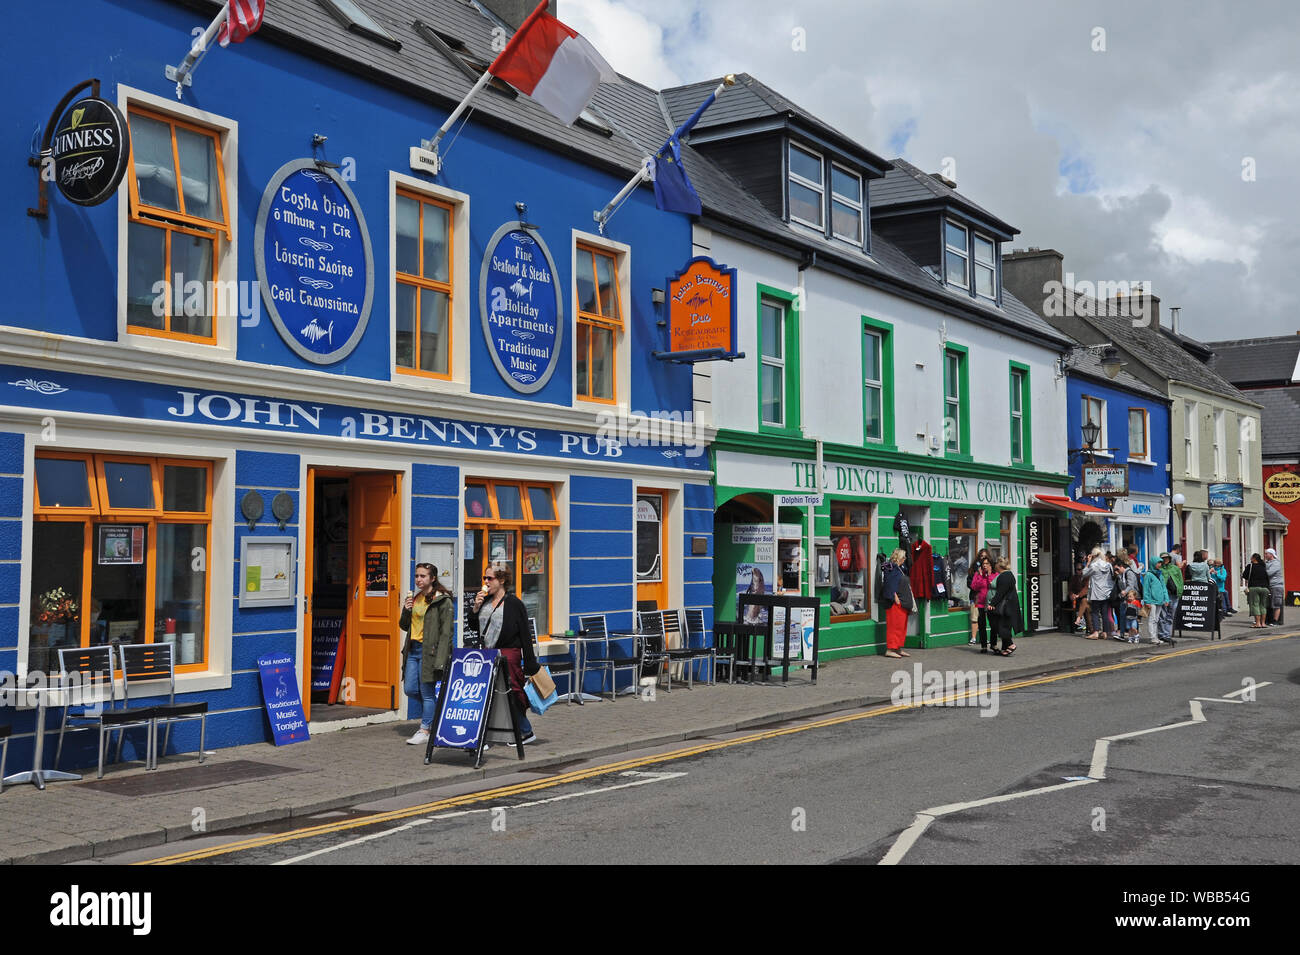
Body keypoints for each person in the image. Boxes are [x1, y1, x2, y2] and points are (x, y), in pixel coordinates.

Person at [468, 565, 541, 744]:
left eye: (489, 578)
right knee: (485, 694)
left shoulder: (514, 604)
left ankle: (525, 731)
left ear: (501, 581)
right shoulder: (484, 601)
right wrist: (475, 608)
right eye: (484, 578)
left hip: (508, 654)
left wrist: (530, 663)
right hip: (487, 654)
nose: (485, 582)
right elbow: (473, 626)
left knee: (512, 693)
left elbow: (525, 634)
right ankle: (482, 738)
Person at [400, 563, 454, 746]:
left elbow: (447, 633)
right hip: (413, 650)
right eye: (417, 576)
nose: (418, 579)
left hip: (429, 651)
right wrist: (406, 611)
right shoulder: (415, 599)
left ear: (432, 579)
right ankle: (435, 715)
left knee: (427, 692)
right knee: (410, 689)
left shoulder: (442, 601)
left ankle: (425, 729)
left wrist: (441, 659)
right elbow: (404, 625)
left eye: (423, 576)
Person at [879, 548, 913, 659]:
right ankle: (890, 649)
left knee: (901, 627)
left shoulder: (900, 568)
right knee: (894, 627)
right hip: (895, 604)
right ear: (899, 558)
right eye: (903, 557)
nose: (905, 559)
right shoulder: (892, 568)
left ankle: (898, 648)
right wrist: (895, 596)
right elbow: (889, 584)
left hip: (903, 603)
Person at [987, 557, 1021, 656]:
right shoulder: (1009, 575)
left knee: (999, 626)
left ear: (998, 565)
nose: (994, 566)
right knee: (1004, 626)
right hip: (1009, 606)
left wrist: (992, 604)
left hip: (1005, 607)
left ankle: (1011, 645)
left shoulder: (1004, 576)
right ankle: (1005, 648)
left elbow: (1000, 593)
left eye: (995, 564)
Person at [1082, 547, 1114, 640]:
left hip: (1096, 593)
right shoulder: (1108, 565)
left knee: (1095, 612)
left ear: (1093, 556)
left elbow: (1084, 574)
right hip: (1106, 592)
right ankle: (1105, 632)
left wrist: (1087, 563)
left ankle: (1096, 632)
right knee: (1105, 613)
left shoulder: (1094, 566)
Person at [970, 556, 997, 653]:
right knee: (981, 625)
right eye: (983, 564)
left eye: (987, 564)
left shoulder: (995, 574)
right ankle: (984, 646)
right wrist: (981, 576)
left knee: (993, 624)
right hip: (980, 603)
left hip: (991, 603)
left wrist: (989, 575)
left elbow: (994, 586)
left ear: (991, 565)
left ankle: (993, 644)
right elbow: (974, 587)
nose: (985, 566)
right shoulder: (978, 574)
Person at [1141, 559, 1172, 646]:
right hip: (1152, 601)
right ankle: (1152, 637)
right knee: (1152, 619)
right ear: (1153, 563)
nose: (1159, 564)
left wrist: (1166, 599)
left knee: (1157, 619)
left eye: (1160, 563)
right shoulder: (1148, 575)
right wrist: (1146, 601)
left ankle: (1155, 637)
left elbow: (1164, 588)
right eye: (1158, 563)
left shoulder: (1160, 574)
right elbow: (1146, 588)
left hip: (1160, 600)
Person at [1158, 552, 1185, 644]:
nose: (1165, 559)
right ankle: (1162, 634)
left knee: (1170, 616)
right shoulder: (1159, 569)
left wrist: (1180, 592)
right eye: (1163, 558)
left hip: (1174, 595)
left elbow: (1181, 581)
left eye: (1167, 558)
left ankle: (1167, 635)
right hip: (1164, 596)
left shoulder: (1175, 568)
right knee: (1162, 616)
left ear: (1169, 559)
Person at [1242, 553, 1270, 629]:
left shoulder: (1250, 566)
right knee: (1263, 605)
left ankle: (1258, 623)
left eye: (1251, 557)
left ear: (1254, 558)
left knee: (1255, 605)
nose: (1250, 559)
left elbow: (1244, 576)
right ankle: (1263, 623)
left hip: (1254, 588)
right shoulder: (1264, 566)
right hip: (1265, 588)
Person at [1264, 547, 1284, 626]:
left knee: (1276, 604)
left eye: (1266, 553)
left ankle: (1275, 621)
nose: (1265, 555)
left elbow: (1269, 573)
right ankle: (1269, 620)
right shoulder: (1267, 563)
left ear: (1271, 554)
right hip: (1269, 586)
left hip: (1276, 586)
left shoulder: (1276, 563)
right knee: (1268, 604)